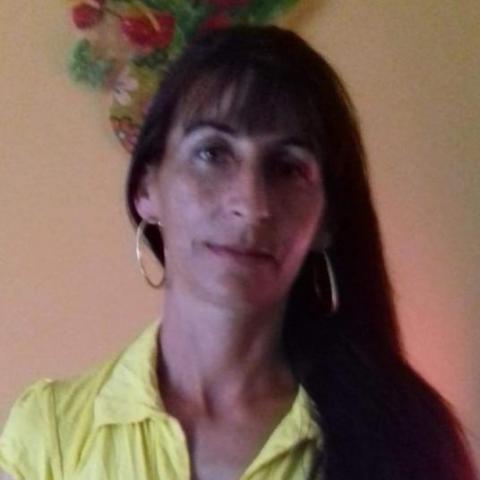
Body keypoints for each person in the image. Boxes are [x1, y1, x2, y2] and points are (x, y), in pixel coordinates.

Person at [0, 25, 477, 480]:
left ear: (327, 221)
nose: (250, 204)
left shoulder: (406, 436)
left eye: (287, 167)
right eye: (212, 153)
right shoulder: (50, 433)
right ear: (147, 187)